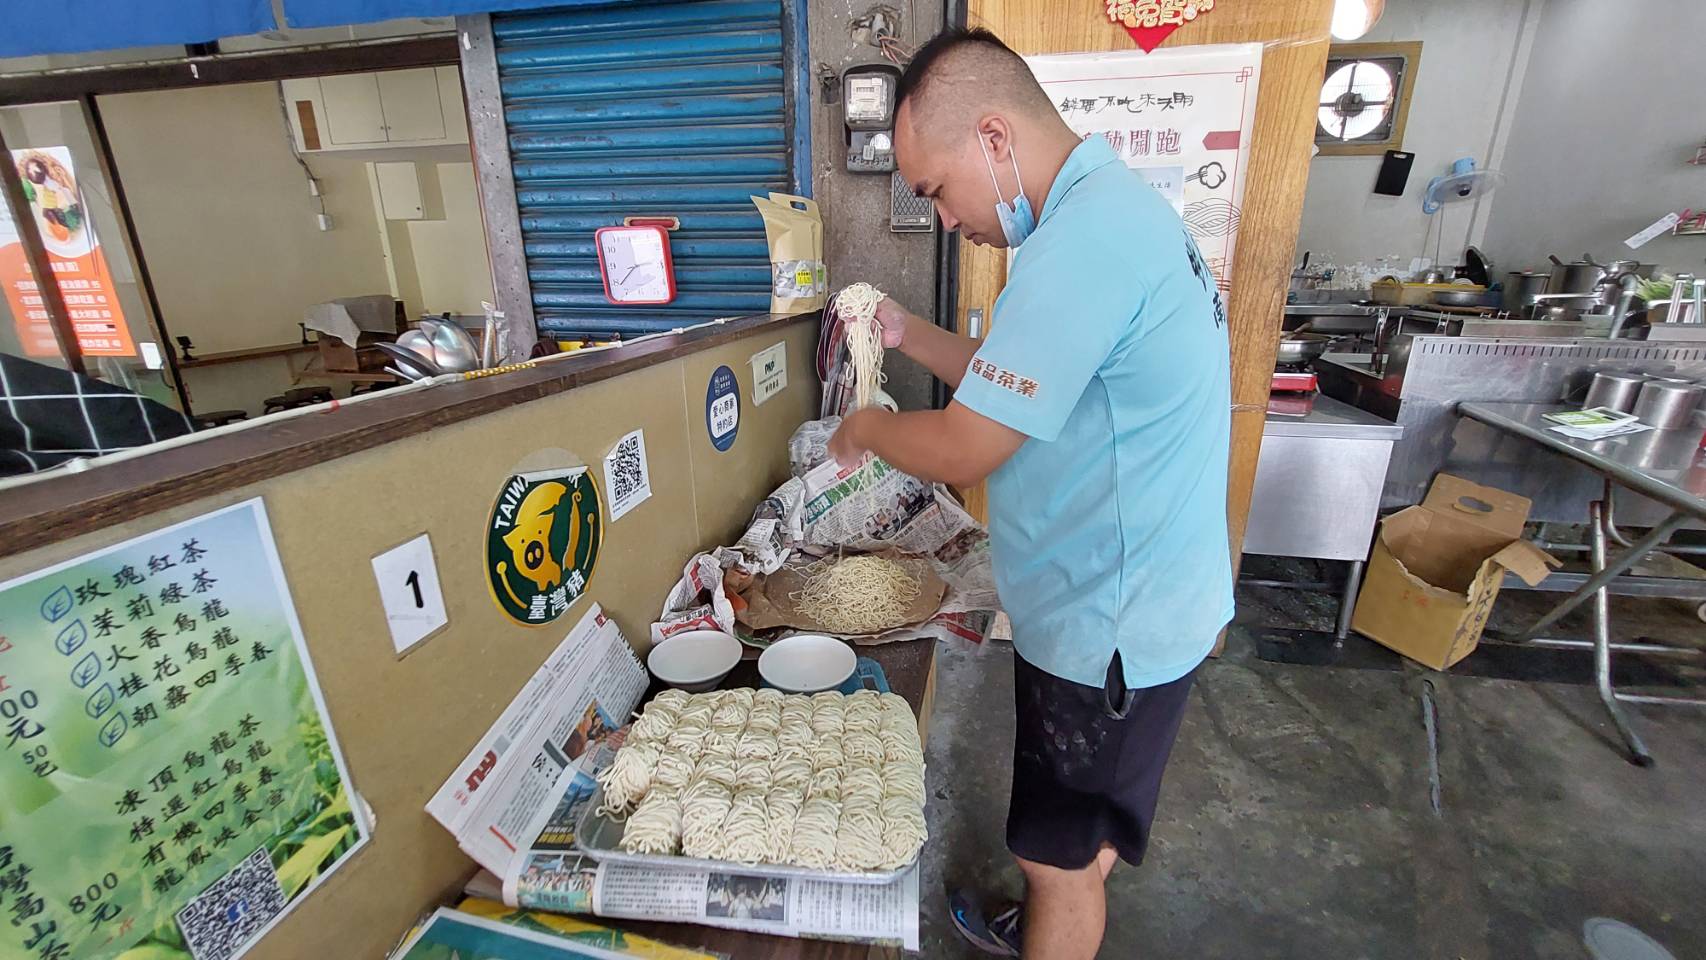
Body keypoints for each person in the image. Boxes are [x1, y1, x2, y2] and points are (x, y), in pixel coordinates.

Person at [826, 27, 1233, 960]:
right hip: (1131, 602)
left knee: (1061, 854)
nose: (940, 217)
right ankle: (1056, 913)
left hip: (1111, 626)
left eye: (933, 189)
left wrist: (867, 430)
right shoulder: (1111, 213)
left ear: (996, 139)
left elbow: (969, 441)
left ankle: (1058, 918)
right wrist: (907, 333)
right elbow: (1023, 377)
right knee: (1073, 842)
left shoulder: (1080, 248)